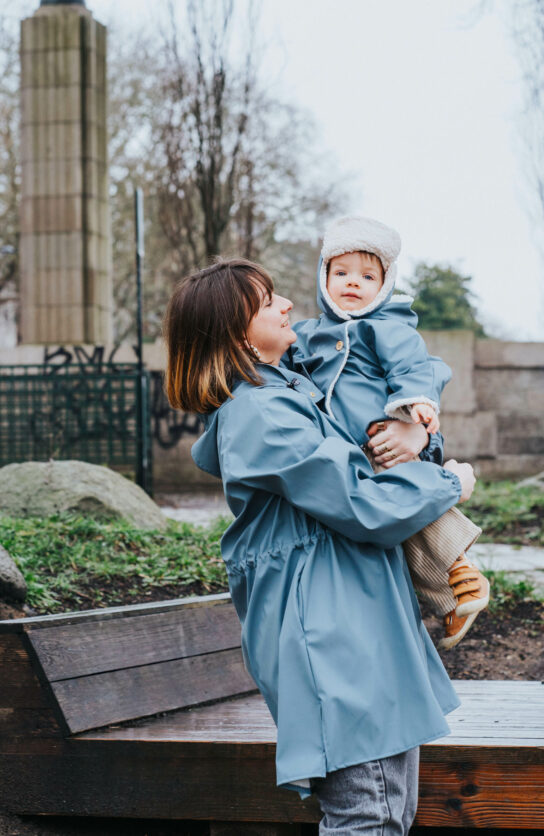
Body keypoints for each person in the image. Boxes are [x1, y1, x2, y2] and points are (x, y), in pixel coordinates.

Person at [164, 257, 476, 835]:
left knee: (386, 811)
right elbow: (364, 504)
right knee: (369, 817)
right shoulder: (264, 413)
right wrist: (453, 480)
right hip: (338, 638)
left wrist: (419, 430)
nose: (287, 306)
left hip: (356, 626)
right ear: (236, 332)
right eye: (267, 302)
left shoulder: (289, 393)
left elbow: (402, 369)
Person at [288, 215, 489, 649]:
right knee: (398, 521)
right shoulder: (305, 334)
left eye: (367, 275)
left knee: (408, 504)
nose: (352, 283)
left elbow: (414, 367)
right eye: (340, 273)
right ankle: (453, 594)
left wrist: (415, 408)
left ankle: (459, 573)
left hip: (383, 440)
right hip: (347, 454)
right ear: (323, 279)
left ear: (385, 284)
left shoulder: (388, 327)